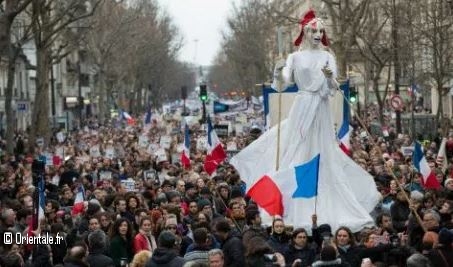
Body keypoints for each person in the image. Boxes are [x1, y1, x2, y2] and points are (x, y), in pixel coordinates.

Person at [230, 9, 379, 232]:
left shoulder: (329, 56)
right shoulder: (295, 57)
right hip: (303, 107)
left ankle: (331, 200)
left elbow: (332, 89)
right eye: (314, 30)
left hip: (321, 109)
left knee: (325, 153)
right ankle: (291, 201)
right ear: (305, 32)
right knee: (297, 150)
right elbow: (281, 86)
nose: (318, 34)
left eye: (321, 30)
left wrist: (330, 78)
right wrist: (278, 72)